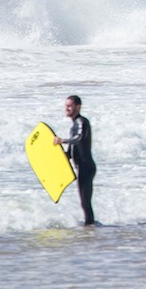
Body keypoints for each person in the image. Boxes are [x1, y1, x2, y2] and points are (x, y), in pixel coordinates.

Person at [53, 95, 96, 226]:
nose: (67, 108)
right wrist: (64, 155)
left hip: (86, 167)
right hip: (82, 167)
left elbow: (79, 139)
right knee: (84, 202)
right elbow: (73, 148)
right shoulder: (74, 125)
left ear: (78, 107)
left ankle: (90, 227)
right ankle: (89, 225)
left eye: (70, 106)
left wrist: (63, 140)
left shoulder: (82, 122)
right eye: (66, 106)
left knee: (85, 201)